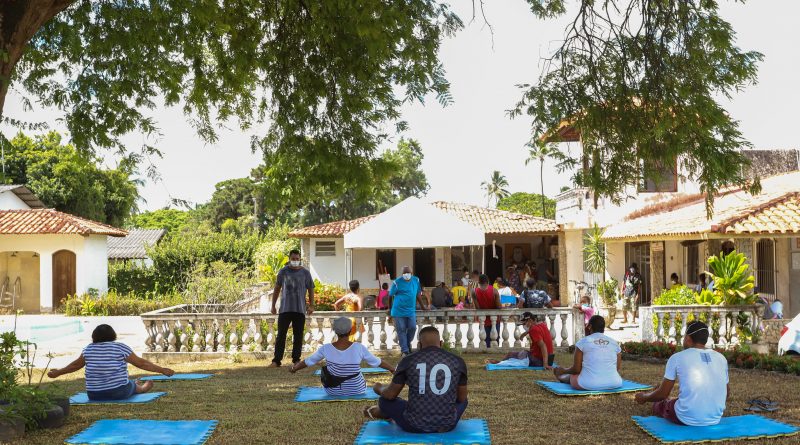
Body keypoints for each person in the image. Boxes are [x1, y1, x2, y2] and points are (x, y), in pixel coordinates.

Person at [363, 326, 468, 433]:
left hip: (414, 425)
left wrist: (379, 388)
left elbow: (390, 395)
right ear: (440, 343)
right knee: (464, 401)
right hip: (447, 425)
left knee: (384, 401)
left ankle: (384, 413)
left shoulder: (408, 360)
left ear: (419, 345)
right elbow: (462, 398)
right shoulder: (457, 361)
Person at [635, 321, 729, 426]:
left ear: (688, 338)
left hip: (685, 418)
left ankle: (658, 398)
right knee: (675, 400)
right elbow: (727, 393)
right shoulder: (721, 358)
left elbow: (662, 394)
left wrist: (644, 397)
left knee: (660, 404)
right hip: (715, 418)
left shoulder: (677, 357)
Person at [47, 324, 175, 400]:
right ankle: (141, 388)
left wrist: (58, 373)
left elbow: (75, 365)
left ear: (94, 337)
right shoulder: (120, 347)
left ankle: (133, 384)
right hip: (118, 392)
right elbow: (141, 363)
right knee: (131, 386)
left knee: (128, 383)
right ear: (113, 336)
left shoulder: (88, 349)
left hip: (94, 395)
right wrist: (162, 370)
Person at [290, 317, 395, 396]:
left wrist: (294, 368)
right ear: (350, 331)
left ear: (335, 331)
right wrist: (392, 369)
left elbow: (308, 361)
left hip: (332, 391)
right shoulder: (359, 348)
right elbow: (377, 362)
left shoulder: (325, 348)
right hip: (356, 390)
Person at [269, 249, 315, 368]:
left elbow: (311, 288)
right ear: (289, 259)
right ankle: (276, 360)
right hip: (285, 309)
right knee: (281, 335)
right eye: (293, 259)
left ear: (300, 259)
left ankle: (296, 360)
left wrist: (311, 305)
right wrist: (273, 305)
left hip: (300, 309)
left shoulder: (305, 273)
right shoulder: (283, 272)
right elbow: (277, 288)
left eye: (297, 259)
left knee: (298, 335)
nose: (295, 261)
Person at [553, 315, 622, 390]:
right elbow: (617, 368)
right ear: (603, 328)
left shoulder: (582, 342)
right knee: (584, 371)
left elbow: (576, 370)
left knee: (574, 375)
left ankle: (561, 377)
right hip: (615, 383)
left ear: (589, 326)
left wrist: (563, 370)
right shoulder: (614, 343)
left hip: (588, 384)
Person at [486, 312, 554, 368]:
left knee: (512, 355)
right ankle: (500, 362)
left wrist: (545, 364)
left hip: (539, 361)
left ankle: (499, 363)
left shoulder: (534, 330)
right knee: (517, 354)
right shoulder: (542, 325)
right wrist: (525, 333)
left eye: (524, 324)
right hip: (549, 359)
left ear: (530, 321)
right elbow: (534, 330)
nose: (524, 326)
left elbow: (543, 346)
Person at [388, 266, 430, 356]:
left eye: (408, 273)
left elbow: (418, 294)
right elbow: (390, 295)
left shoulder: (416, 280)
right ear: (402, 274)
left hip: (410, 310)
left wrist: (423, 307)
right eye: (404, 273)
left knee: (412, 328)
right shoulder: (397, 282)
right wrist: (389, 309)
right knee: (401, 330)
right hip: (398, 311)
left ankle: (406, 345)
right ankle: (405, 351)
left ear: (412, 273)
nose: (406, 275)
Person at [472, 274, 501, 347]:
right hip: (495, 319)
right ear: (488, 281)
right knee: (495, 341)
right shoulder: (494, 291)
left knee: (485, 342)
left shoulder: (474, 292)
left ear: (479, 282)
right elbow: (499, 307)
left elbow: (478, 308)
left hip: (483, 320)